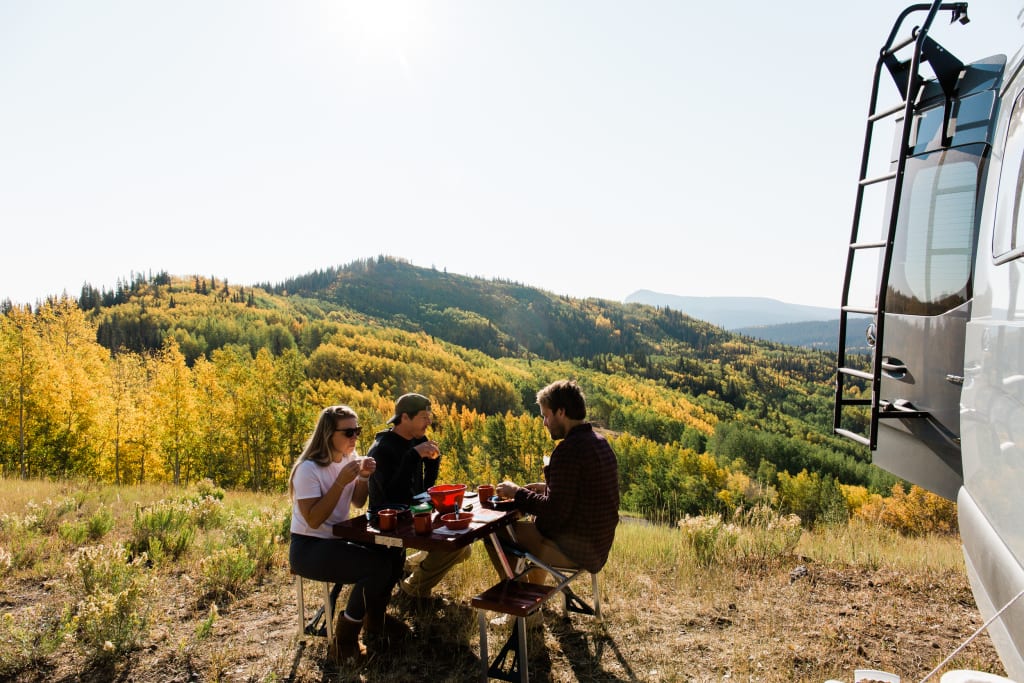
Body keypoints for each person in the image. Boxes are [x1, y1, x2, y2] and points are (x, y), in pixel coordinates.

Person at [288, 405, 405, 662]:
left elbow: (357, 503)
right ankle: (345, 642)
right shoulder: (308, 469)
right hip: (309, 547)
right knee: (376, 568)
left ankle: (375, 619)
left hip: (337, 539)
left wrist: (363, 478)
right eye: (349, 432)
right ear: (329, 434)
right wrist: (341, 481)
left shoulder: (349, 460)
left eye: (358, 431)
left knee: (393, 552)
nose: (355, 438)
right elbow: (314, 519)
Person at [493, 379, 620, 583]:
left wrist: (517, 493)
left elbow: (554, 511)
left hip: (576, 549)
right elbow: (587, 490)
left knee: (497, 534)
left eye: (546, 415)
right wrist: (547, 487)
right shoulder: (600, 443)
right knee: (533, 527)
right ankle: (533, 597)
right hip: (598, 545)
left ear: (561, 412)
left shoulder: (568, 451)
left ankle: (522, 605)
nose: (544, 422)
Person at [367, 393, 471, 601]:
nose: (429, 421)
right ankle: (411, 590)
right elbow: (393, 495)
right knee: (454, 548)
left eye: (429, 416)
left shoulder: (417, 440)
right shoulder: (382, 448)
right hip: (387, 519)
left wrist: (432, 463)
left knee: (462, 547)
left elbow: (423, 489)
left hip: (413, 513)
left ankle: (408, 567)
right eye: (424, 416)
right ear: (405, 417)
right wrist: (413, 456)